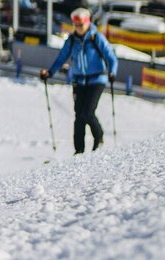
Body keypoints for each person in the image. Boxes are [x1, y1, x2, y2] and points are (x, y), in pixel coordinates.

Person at [40, 8, 118, 154]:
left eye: (81, 25)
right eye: (76, 25)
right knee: (78, 115)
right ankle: (79, 150)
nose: (79, 29)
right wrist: (50, 72)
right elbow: (62, 57)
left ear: (87, 23)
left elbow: (111, 57)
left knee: (88, 111)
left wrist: (112, 72)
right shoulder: (71, 41)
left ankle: (98, 137)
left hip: (97, 80)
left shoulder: (96, 38)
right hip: (79, 81)